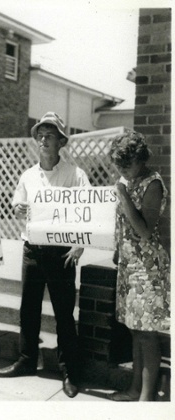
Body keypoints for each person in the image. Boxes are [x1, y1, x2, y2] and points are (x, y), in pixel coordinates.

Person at [0, 112, 90, 398]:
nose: (43, 139)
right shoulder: (28, 175)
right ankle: (26, 361)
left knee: (63, 313)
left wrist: (79, 245)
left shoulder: (76, 175)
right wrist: (19, 209)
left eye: (50, 135)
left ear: (62, 141)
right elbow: (16, 205)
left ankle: (69, 371)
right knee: (29, 309)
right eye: (40, 134)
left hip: (61, 253)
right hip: (32, 250)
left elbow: (87, 214)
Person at [108, 131, 170, 401]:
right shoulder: (128, 180)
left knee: (147, 334)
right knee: (135, 329)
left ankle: (146, 398)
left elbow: (145, 231)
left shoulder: (152, 183)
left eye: (127, 162)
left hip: (148, 267)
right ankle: (135, 389)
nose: (122, 168)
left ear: (141, 159)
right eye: (118, 163)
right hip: (130, 264)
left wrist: (123, 196)